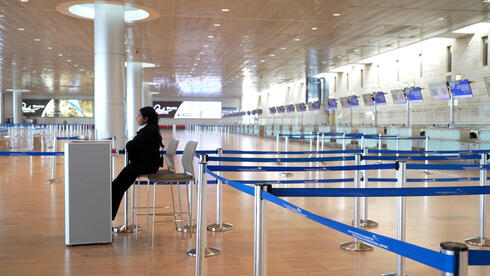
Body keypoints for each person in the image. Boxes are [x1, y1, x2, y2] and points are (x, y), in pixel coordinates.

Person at [112, 106, 163, 221]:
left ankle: (107, 218)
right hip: (144, 164)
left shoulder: (148, 131)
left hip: (144, 165)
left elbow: (131, 145)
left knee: (116, 187)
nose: (137, 118)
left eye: (139, 116)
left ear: (146, 118)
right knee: (117, 186)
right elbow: (134, 145)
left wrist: (129, 145)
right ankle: (108, 217)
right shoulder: (149, 129)